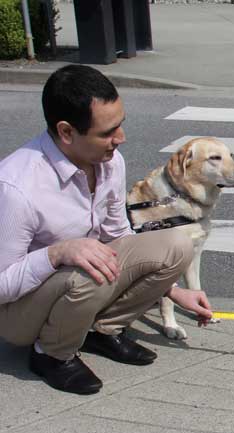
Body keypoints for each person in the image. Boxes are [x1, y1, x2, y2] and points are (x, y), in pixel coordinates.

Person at [0, 65, 213, 395]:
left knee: (176, 246)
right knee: (89, 267)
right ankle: (52, 354)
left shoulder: (110, 162)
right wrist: (57, 253)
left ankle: (102, 331)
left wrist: (172, 290)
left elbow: (119, 234)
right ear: (67, 132)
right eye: (107, 132)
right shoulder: (17, 187)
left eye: (120, 125)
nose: (121, 138)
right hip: (16, 315)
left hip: (74, 284)